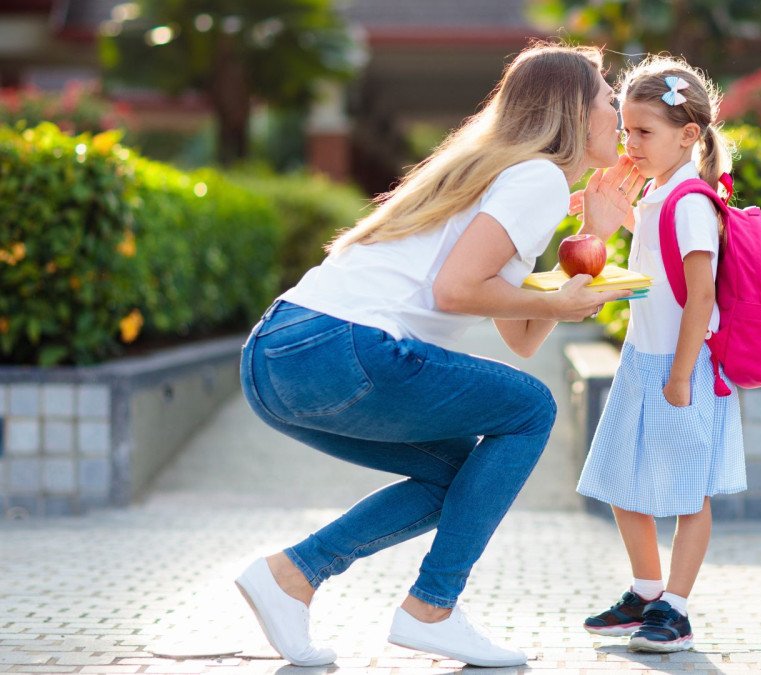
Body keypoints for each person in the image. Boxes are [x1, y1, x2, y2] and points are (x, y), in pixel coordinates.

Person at [235, 42, 645, 668]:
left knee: (452, 474)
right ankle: (433, 609)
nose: (617, 113)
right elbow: (459, 291)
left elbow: (521, 335)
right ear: (571, 112)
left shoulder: (504, 172)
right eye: (607, 100)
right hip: (343, 347)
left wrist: (593, 236)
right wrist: (563, 305)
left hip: (278, 355)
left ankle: (293, 575)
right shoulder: (534, 177)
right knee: (532, 407)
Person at [576, 55, 746, 653]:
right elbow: (653, 266)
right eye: (625, 129)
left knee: (687, 493)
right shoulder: (656, 194)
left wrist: (679, 375)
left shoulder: (692, 201)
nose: (631, 142)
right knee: (624, 482)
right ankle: (646, 592)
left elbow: (700, 295)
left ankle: (676, 607)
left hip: (682, 366)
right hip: (641, 361)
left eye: (644, 131)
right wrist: (610, 215)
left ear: (689, 134)